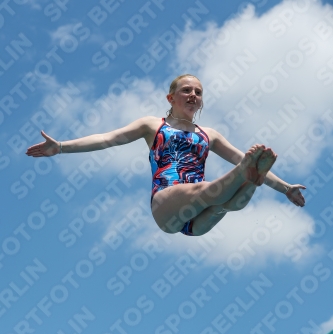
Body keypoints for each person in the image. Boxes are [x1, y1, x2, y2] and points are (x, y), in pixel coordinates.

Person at [26, 74, 306, 236]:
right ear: (171, 98)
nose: (193, 95)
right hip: (167, 205)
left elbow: (234, 158)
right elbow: (107, 139)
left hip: (196, 223)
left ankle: (251, 180)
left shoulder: (210, 134)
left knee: (229, 205)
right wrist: (60, 146)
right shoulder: (153, 125)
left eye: (198, 92)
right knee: (209, 189)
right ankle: (246, 175)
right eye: (186, 90)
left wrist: (286, 189)